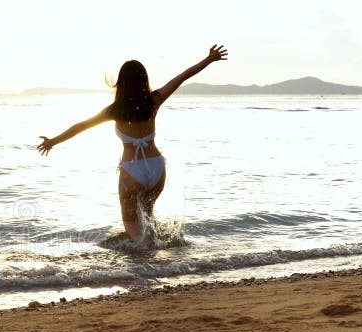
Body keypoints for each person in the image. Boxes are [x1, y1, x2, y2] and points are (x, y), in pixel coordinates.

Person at [37, 45, 228, 245]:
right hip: (156, 168)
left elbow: (81, 126)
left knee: (130, 220)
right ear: (144, 80)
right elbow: (182, 76)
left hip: (132, 170)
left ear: (121, 82)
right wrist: (209, 59)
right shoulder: (155, 100)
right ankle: (154, 251)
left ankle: (142, 259)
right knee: (148, 214)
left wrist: (53, 141)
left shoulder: (114, 110)